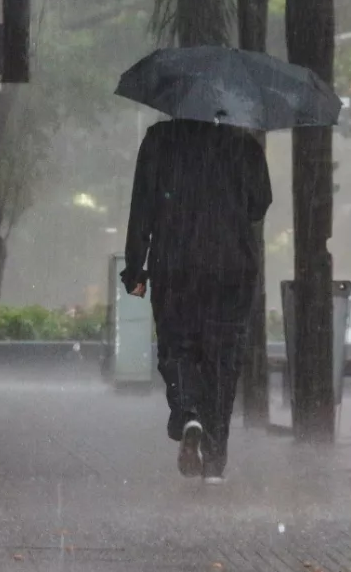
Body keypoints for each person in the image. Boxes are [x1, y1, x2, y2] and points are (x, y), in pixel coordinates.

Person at [121, 119, 272, 483]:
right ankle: (215, 461)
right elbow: (259, 204)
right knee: (224, 359)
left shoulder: (160, 140)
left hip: (176, 265)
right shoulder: (244, 144)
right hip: (231, 268)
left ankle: (189, 413)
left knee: (178, 348)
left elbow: (142, 206)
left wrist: (134, 268)